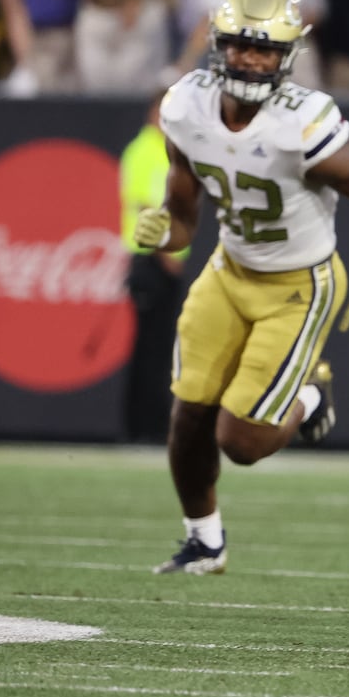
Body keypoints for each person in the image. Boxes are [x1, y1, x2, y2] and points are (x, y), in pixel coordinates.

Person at [135, 0, 349, 575]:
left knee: (242, 442)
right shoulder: (186, 106)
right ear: (218, 45)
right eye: (240, 47)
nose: (251, 60)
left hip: (298, 285)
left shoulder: (301, 123)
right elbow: (184, 217)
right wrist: (165, 230)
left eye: (264, 50)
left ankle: (311, 394)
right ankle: (205, 542)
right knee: (187, 411)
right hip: (229, 270)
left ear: (286, 57)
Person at [119, 91, 188, 443]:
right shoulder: (145, 149)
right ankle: (143, 428)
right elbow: (148, 207)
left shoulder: (169, 150)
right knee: (151, 348)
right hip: (151, 260)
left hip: (164, 259)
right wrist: (166, 257)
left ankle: (150, 425)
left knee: (160, 347)